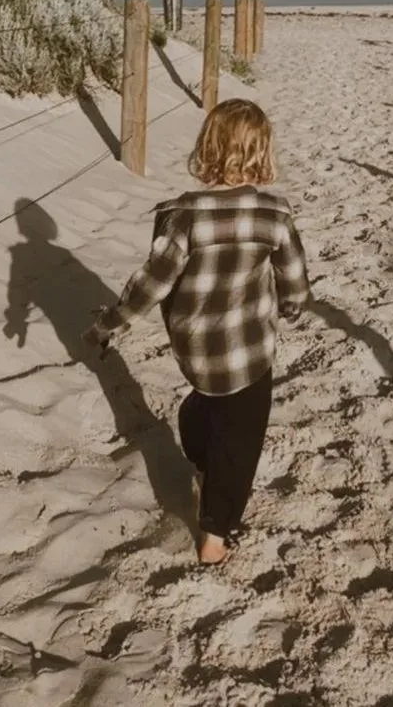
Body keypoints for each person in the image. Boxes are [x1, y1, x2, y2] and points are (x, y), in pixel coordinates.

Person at [84, 98, 310, 564]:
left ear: (207, 149)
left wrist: (109, 323)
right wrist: (292, 307)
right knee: (240, 446)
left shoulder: (182, 216)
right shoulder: (275, 215)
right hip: (249, 352)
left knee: (203, 409)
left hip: (198, 352)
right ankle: (214, 534)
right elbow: (294, 277)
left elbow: (150, 283)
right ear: (263, 154)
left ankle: (204, 465)